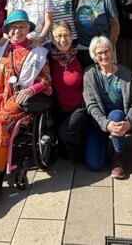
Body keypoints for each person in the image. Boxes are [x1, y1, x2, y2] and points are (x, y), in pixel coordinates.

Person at [0, 10, 51, 209]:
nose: (17, 31)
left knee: (0, 122)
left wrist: (31, 90)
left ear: (28, 29)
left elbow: (46, 80)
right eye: (13, 27)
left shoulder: (36, 51)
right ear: (7, 30)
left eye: (22, 26)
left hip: (17, 96)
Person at [84, 35, 132, 179]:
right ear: (94, 56)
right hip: (99, 123)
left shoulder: (125, 73)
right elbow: (91, 105)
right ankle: (108, 145)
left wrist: (129, 121)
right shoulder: (89, 74)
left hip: (119, 120)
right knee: (95, 165)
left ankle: (118, 157)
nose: (103, 56)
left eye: (106, 51)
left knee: (116, 114)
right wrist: (105, 124)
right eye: (99, 53)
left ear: (112, 51)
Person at [48, 21, 87, 162]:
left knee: (65, 134)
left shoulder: (82, 57)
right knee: (63, 154)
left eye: (66, 35)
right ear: (52, 39)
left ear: (72, 37)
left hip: (81, 108)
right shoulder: (48, 59)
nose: (63, 40)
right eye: (58, 36)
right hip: (60, 110)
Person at [75, 0, 119, 68]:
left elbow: (115, 25)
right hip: (83, 48)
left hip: (103, 50)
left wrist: (111, 46)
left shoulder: (107, 0)